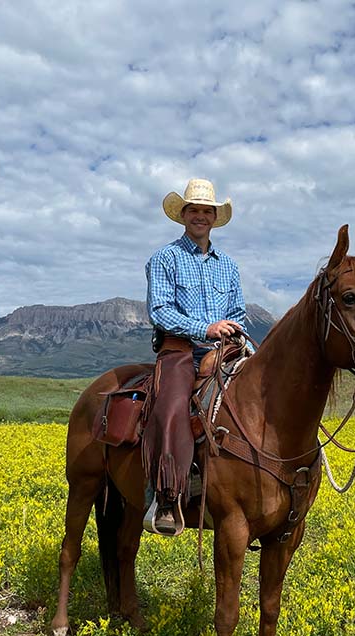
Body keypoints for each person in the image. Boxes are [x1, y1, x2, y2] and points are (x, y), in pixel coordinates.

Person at [142, 178, 247, 535]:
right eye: (194, 210)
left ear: (215, 218)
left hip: (225, 350)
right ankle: (167, 496)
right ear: (183, 215)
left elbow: (239, 311)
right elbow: (160, 311)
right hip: (180, 349)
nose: (200, 216)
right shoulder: (165, 258)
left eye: (207, 211)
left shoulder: (229, 265)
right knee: (172, 407)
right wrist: (206, 328)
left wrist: (230, 332)